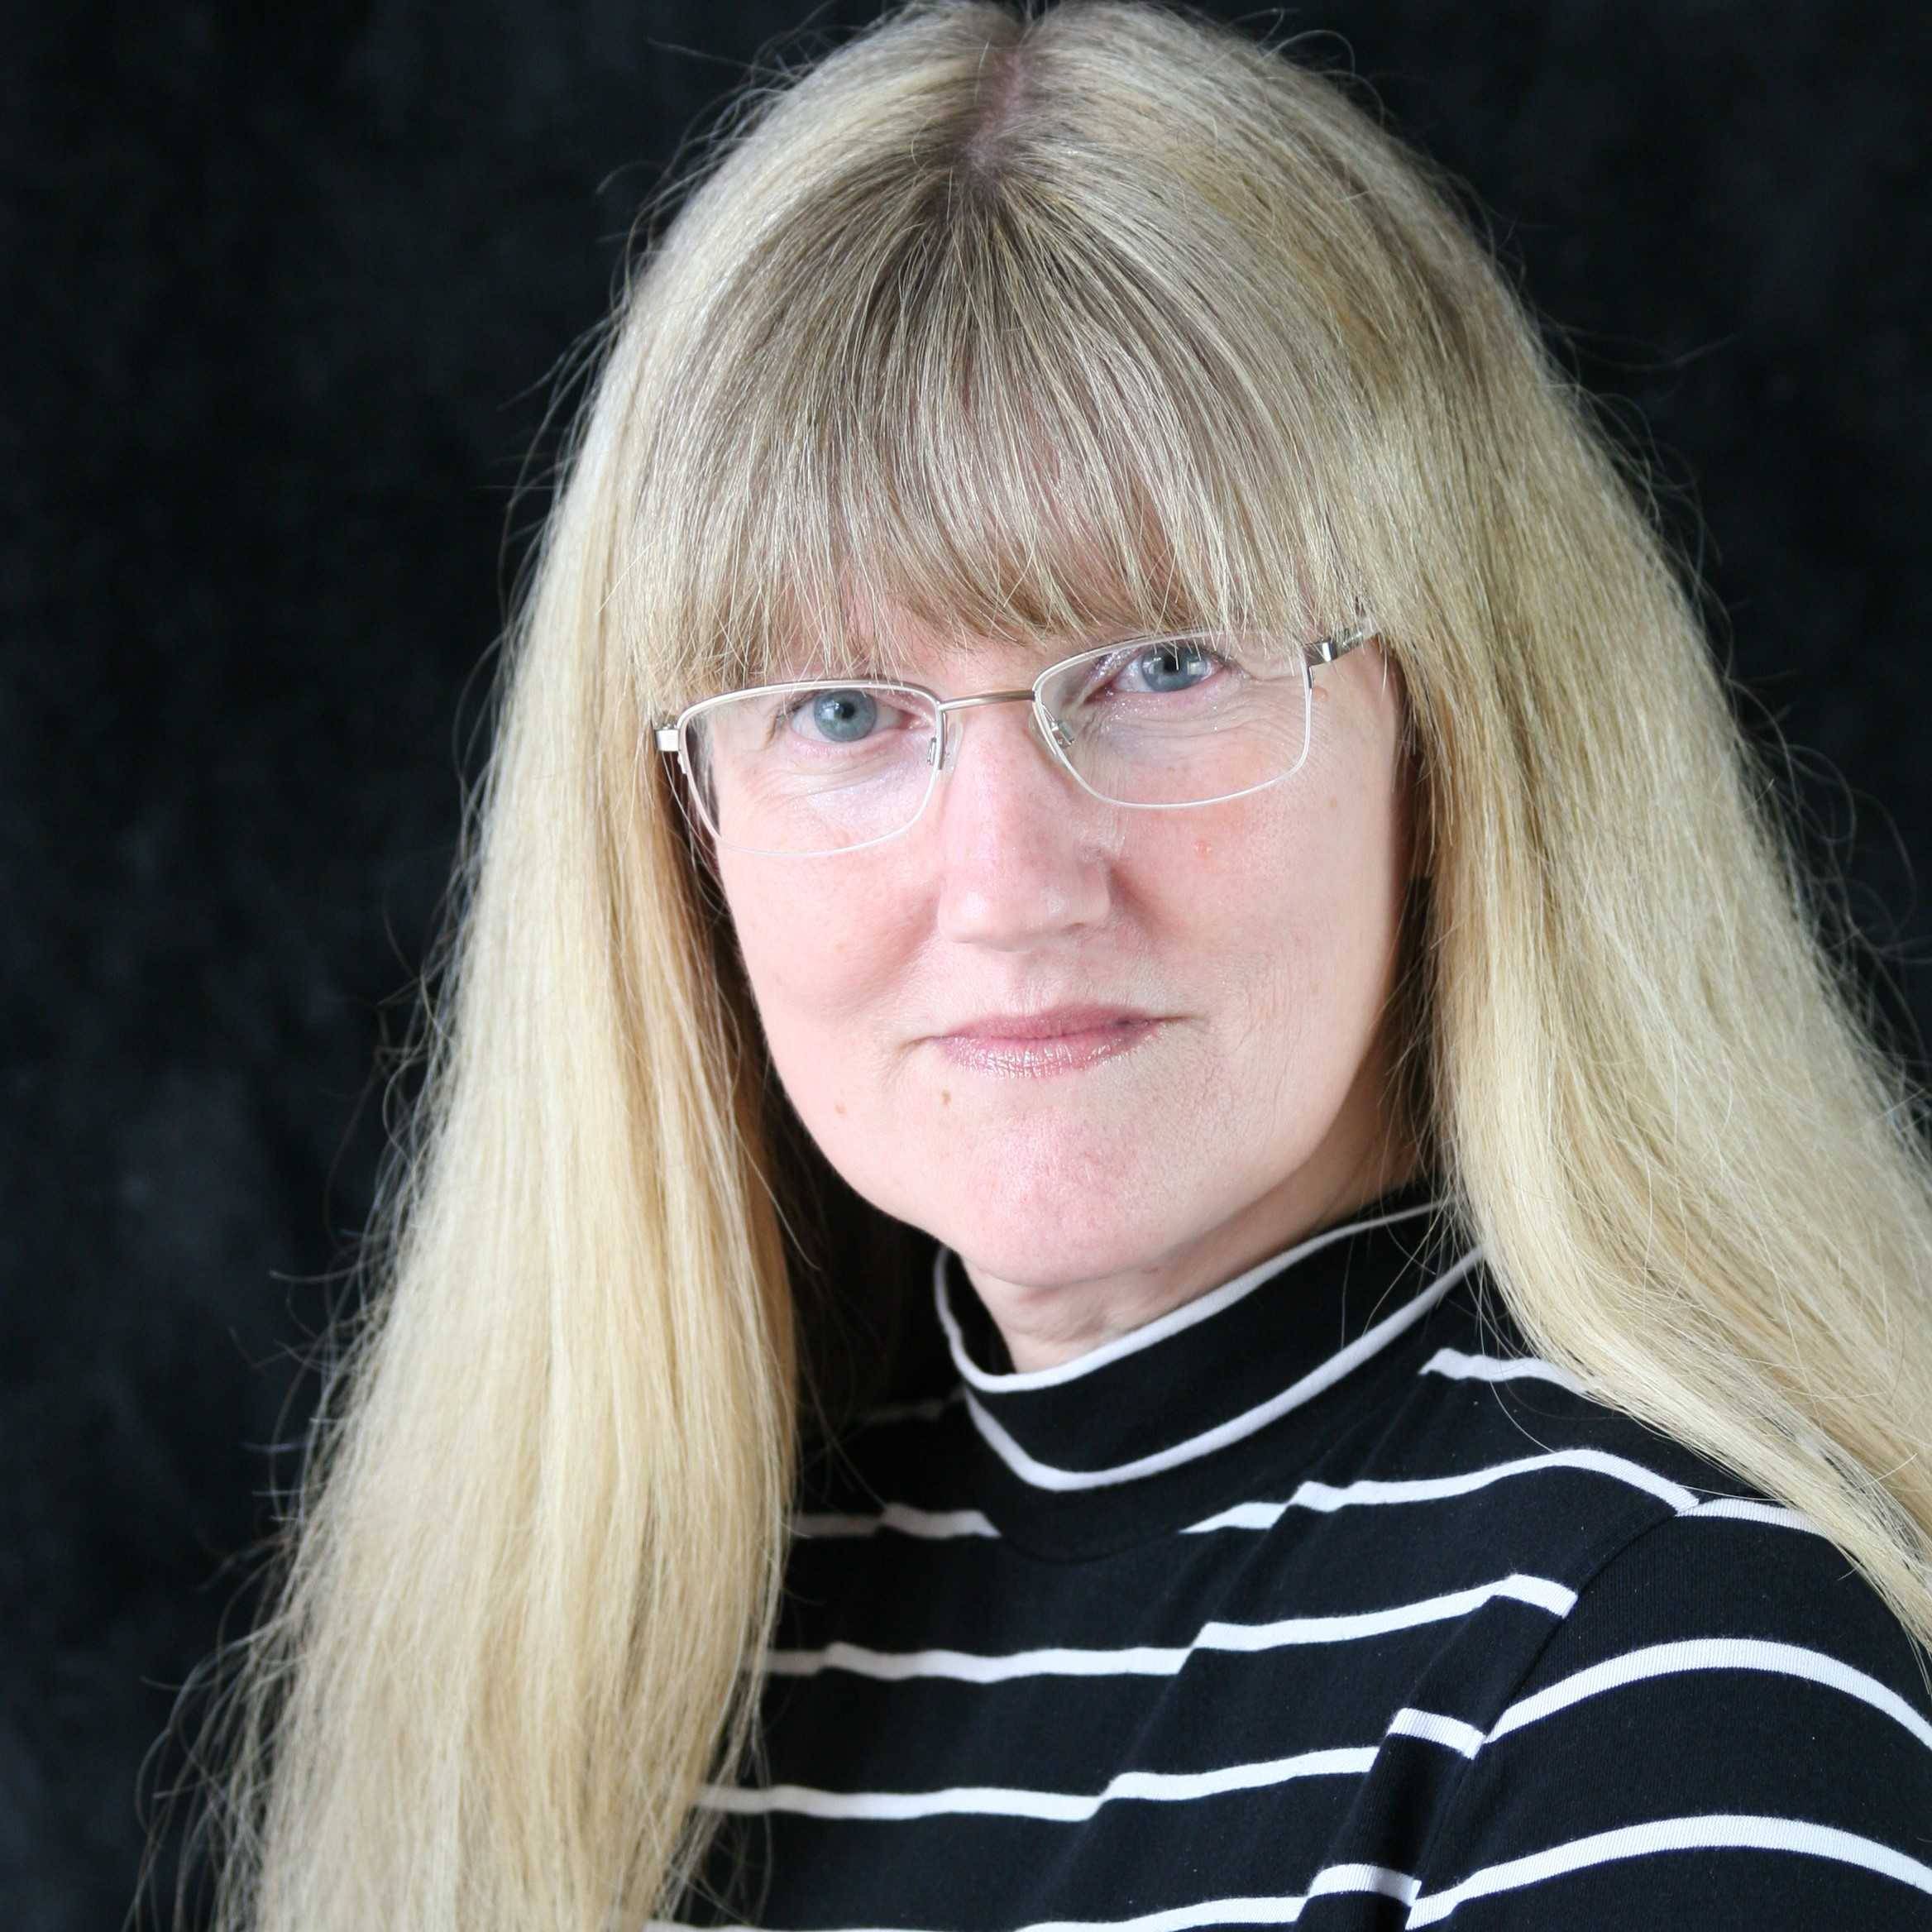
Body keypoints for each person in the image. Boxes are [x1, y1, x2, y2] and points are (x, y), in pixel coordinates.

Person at [154, 2, 1932, 1928]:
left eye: (1162, 665)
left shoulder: (1675, 1677)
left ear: (1454, 736)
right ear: (685, 828)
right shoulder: (629, 1682)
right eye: (845, 709)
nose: (1006, 885)